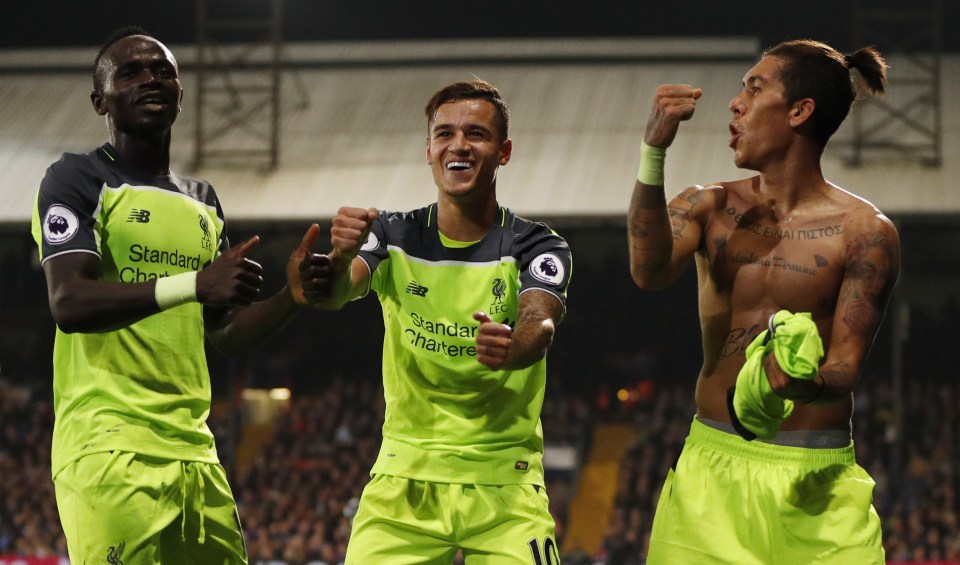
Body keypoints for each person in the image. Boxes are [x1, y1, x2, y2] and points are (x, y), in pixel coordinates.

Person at [31, 26, 319, 564]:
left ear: (181, 95)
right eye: (131, 72)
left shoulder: (203, 201)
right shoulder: (77, 179)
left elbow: (226, 334)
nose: (150, 79)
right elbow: (68, 303)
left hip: (196, 451)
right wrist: (193, 283)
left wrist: (292, 298)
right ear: (101, 101)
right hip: (109, 445)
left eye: (163, 70)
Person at [627, 39, 900, 563]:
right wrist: (652, 153)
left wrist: (808, 383)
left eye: (754, 89)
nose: (735, 103)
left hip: (818, 488)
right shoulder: (707, 204)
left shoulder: (866, 232)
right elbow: (649, 270)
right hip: (711, 476)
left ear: (800, 111)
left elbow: (845, 365)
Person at [299, 79, 572, 563]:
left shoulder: (538, 245)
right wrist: (338, 258)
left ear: (504, 151)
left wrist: (513, 347)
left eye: (476, 134)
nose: (459, 145)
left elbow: (540, 322)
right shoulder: (392, 234)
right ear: (428, 150)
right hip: (404, 482)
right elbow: (337, 292)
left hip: (505, 485)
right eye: (444, 134)